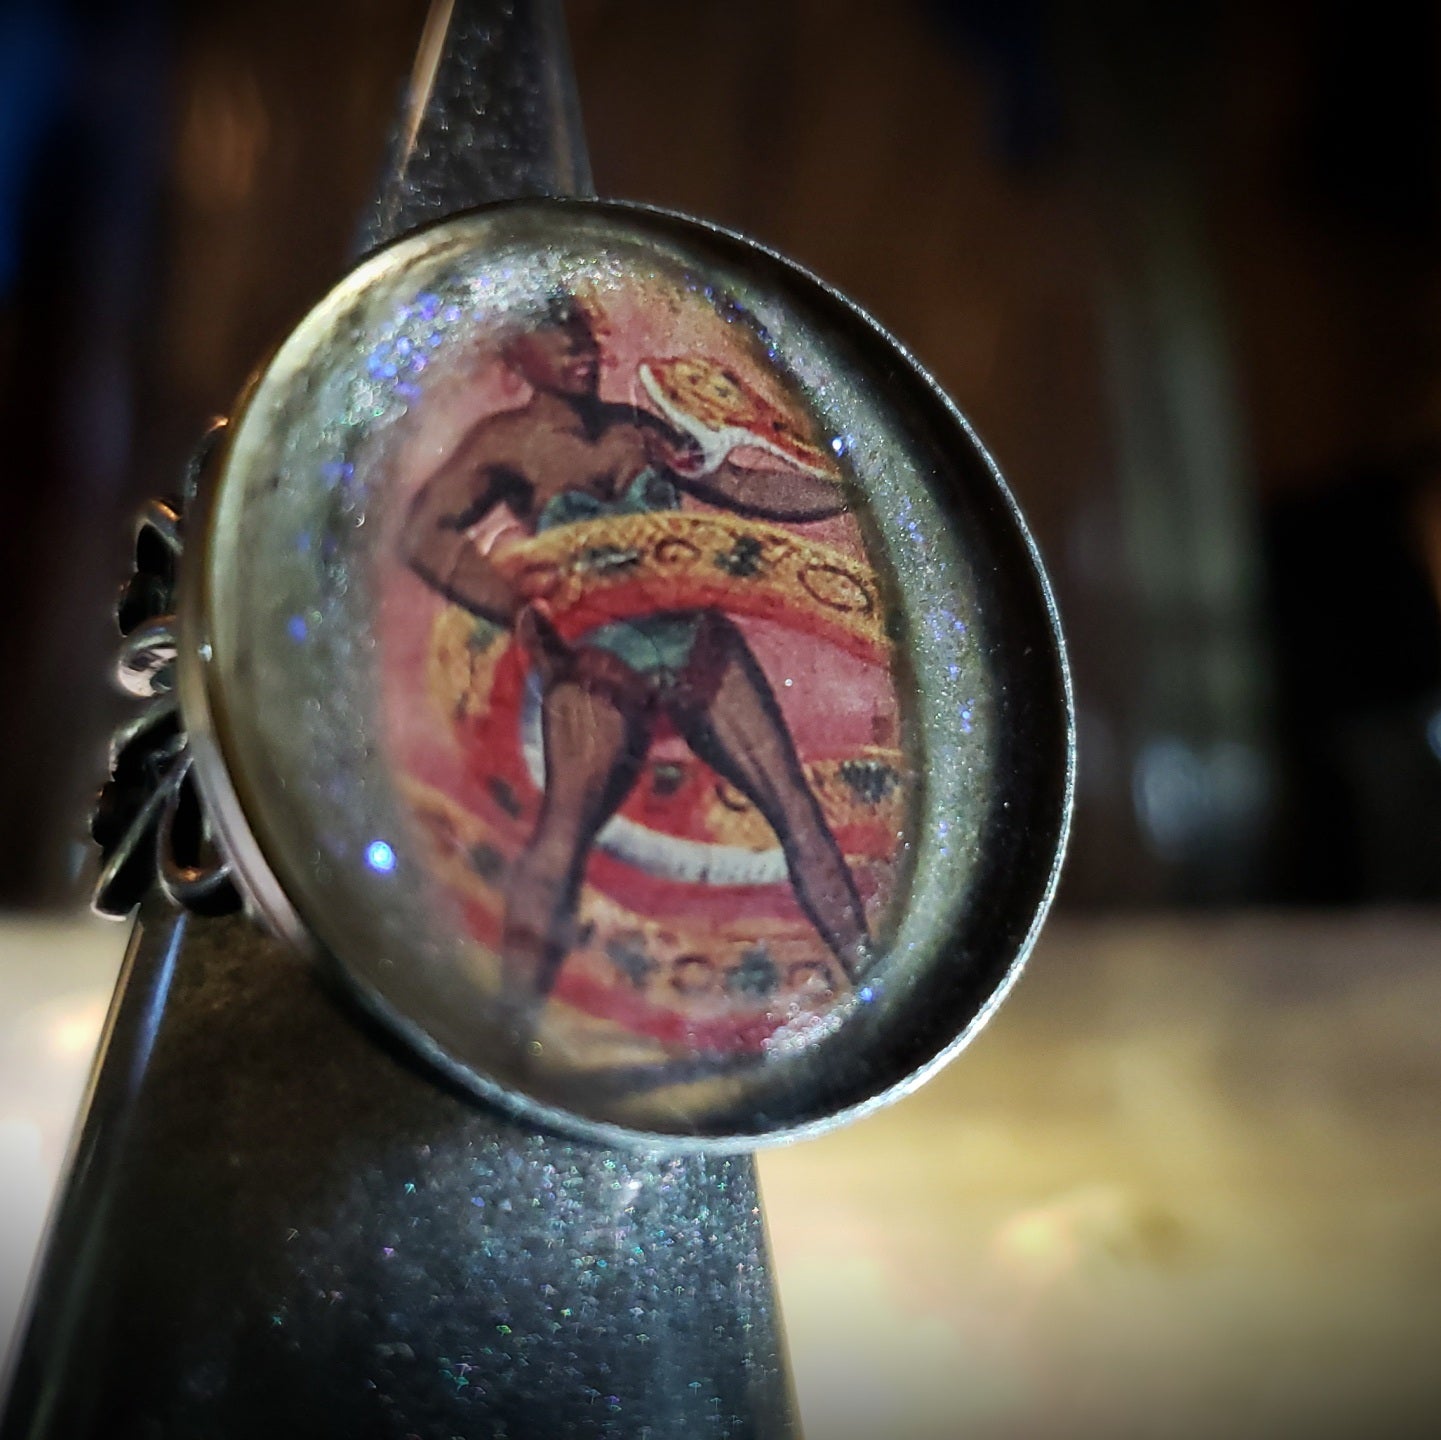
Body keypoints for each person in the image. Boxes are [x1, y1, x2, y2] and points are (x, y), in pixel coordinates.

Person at [404, 297, 871, 1028]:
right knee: (561, 839)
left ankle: (872, 989)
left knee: (800, 817)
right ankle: (510, 1032)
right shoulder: (504, 445)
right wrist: (515, 605)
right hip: (595, 664)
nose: (580, 350)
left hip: (695, 646)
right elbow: (424, 535)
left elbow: (743, 489)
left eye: (584, 335)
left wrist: (855, 489)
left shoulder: (637, 430)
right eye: (556, 337)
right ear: (514, 355)